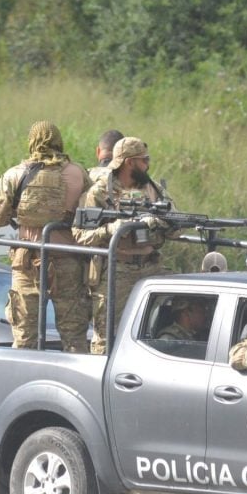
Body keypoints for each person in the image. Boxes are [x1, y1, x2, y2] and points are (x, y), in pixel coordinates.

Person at [0, 120, 91, 352]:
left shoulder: (16, 173)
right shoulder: (78, 173)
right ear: (59, 141)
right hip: (68, 260)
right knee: (74, 336)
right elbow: (92, 213)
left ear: (31, 142)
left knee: (24, 335)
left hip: (27, 261)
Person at [73, 136, 174, 354]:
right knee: (107, 336)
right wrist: (113, 229)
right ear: (129, 162)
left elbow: (176, 221)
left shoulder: (153, 189)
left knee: (154, 332)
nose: (148, 164)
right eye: (144, 160)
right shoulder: (100, 192)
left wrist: (162, 223)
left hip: (150, 267)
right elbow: (79, 235)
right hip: (117, 270)